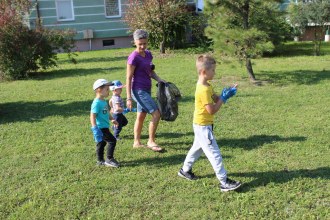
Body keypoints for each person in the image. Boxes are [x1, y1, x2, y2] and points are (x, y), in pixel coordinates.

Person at [177, 55, 242, 192]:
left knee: (197, 148)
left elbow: (215, 98)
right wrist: (222, 100)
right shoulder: (203, 89)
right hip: (203, 126)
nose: (215, 73)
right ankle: (224, 182)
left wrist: (226, 94)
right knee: (215, 154)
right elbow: (211, 110)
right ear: (204, 72)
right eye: (213, 70)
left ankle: (185, 170)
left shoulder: (207, 85)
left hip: (201, 125)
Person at [126, 29, 166, 152]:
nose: (143, 46)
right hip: (138, 90)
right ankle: (151, 141)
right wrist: (128, 97)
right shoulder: (133, 57)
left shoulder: (148, 54)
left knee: (141, 115)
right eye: (140, 44)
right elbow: (128, 77)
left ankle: (136, 142)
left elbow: (150, 71)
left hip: (146, 88)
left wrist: (159, 79)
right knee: (156, 113)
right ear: (135, 42)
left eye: (145, 43)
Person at [90, 79, 120, 168]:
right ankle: (109, 159)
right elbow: (92, 116)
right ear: (99, 90)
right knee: (112, 140)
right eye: (107, 89)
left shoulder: (103, 101)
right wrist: (94, 128)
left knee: (101, 143)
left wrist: (112, 119)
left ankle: (100, 160)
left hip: (105, 126)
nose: (109, 92)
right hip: (100, 128)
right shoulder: (96, 103)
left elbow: (106, 112)